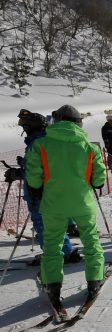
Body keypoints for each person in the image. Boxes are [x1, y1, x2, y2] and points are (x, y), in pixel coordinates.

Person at [25, 105, 106, 316]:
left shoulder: (41, 145)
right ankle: (95, 279)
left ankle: (53, 284)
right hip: (83, 202)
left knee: (53, 244)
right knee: (91, 241)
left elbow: (33, 179)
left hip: (53, 203)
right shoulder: (89, 147)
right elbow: (99, 179)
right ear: (78, 123)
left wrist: (39, 187)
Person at [5, 110, 80, 266]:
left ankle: (53, 255)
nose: (23, 129)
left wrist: (17, 173)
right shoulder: (49, 141)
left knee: (43, 224)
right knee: (55, 223)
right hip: (54, 189)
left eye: (24, 126)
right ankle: (66, 251)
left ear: (31, 127)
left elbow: (36, 171)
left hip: (39, 192)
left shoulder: (36, 143)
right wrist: (23, 164)